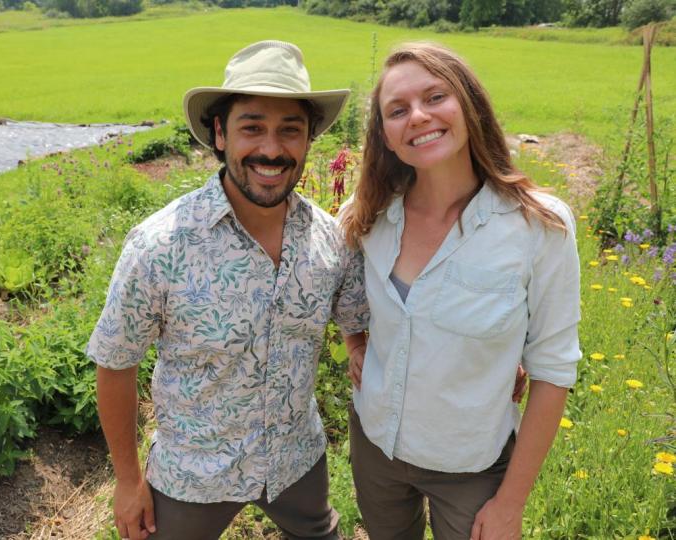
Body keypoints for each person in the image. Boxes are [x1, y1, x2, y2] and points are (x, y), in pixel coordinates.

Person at [86, 40, 368, 540]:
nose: (272, 149)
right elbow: (115, 363)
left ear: (308, 141)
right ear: (219, 133)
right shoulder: (161, 245)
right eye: (252, 127)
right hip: (193, 474)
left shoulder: (331, 241)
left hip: (296, 462)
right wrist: (128, 481)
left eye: (290, 130)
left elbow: (359, 325)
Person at [340, 43, 581, 540]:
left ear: (469, 104)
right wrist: (356, 341)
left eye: (435, 96)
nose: (419, 117)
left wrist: (510, 505)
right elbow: (340, 287)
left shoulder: (539, 226)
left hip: (472, 463)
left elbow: (553, 370)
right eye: (397, 110)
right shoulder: (369, 217)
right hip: (375, 446)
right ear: (384, 134)